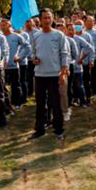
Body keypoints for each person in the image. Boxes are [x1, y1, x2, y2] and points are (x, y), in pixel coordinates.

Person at [31, 9, 70, 140]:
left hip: (55, 75)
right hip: (40, 75)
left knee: (56, 103)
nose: (47, 20)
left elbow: (64, 54)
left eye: (49, 18)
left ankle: (58, 130)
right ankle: (39, 129)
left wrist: (63, 72)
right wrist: (34, 59)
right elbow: (33, 52)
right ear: (40, 20)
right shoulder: (36, 36)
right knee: (40, 104)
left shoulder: (59, 35)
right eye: (44, 18)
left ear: (52, 19)